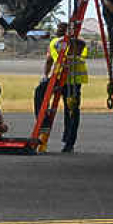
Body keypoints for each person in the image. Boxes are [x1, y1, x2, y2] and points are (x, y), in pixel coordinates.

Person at [44, 23, 88, 153]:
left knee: (44, 102)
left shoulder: (55, 43)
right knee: (72, 112)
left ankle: (43, 130)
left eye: (59, 29)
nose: (57, 31)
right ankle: (69, 142)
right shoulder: (79, 43)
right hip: (72, 82)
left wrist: (45, 76)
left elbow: (49, 60)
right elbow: (82, 53)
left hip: (64, 80)